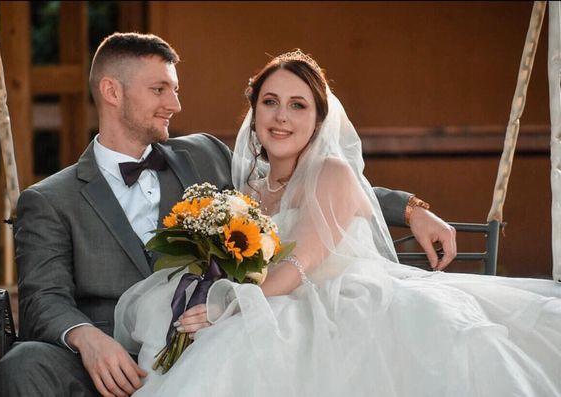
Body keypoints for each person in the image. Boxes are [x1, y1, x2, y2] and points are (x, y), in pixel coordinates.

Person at [0, 33, 451, 397]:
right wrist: (87, 339)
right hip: (111, 361)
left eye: (175, 89)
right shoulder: (50, 200)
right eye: (159, 90)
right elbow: (41, 300)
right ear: (112, 92)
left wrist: (408, 208)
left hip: (206, 345)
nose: (176, 104)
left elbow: (301, 184)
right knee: (22, 364)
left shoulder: (202, 156)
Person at [115, 50, 561, 396]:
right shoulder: (248, 187)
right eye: (270, 103)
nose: (281, 116)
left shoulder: (332, 172)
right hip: (274, 298)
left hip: (337, 303)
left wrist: (227, 306)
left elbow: (299, 267)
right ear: (254, 113)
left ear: (319, 119)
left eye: (298, 105)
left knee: (237, 348)